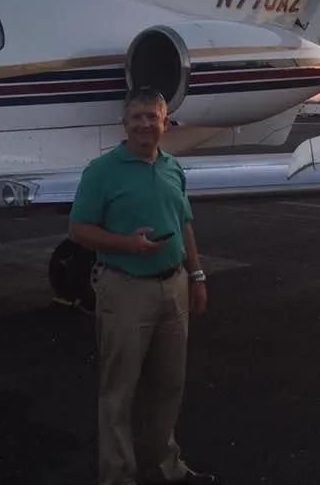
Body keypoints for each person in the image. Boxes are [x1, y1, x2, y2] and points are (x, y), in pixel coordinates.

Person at [69, 87, 216, 485]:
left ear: (166, 122)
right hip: (125, 289)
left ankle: (167, 466)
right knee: (119, 391)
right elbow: (78, 229)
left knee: (170, 384)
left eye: (153, 116)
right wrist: (127, 245)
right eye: (137, 117)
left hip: (174, 287)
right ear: (124, 123)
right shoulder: (101, 171)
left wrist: (197, 276)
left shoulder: (172, 168)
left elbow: (184, 224)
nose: (145, 124)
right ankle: (117, 476)